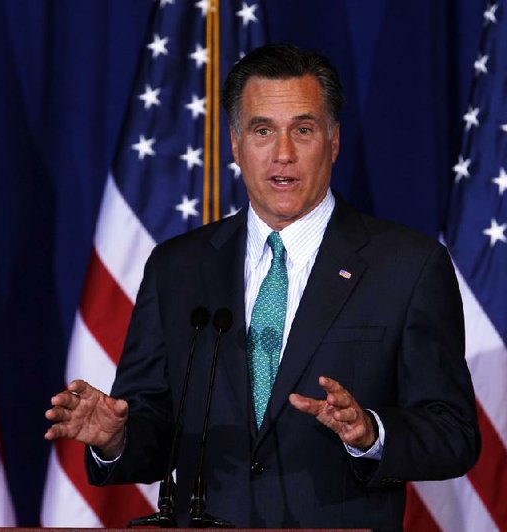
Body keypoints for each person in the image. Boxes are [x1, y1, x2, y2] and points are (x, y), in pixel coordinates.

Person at [45, 43, 480, 529]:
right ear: (235, 144)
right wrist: (115, 438)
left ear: (333, 141)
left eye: (303, 129)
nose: (283, 154)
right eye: (262, 130)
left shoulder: (408, 266)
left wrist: (370, 431)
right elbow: (154, 429)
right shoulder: (178, 267)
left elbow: (454, 434)